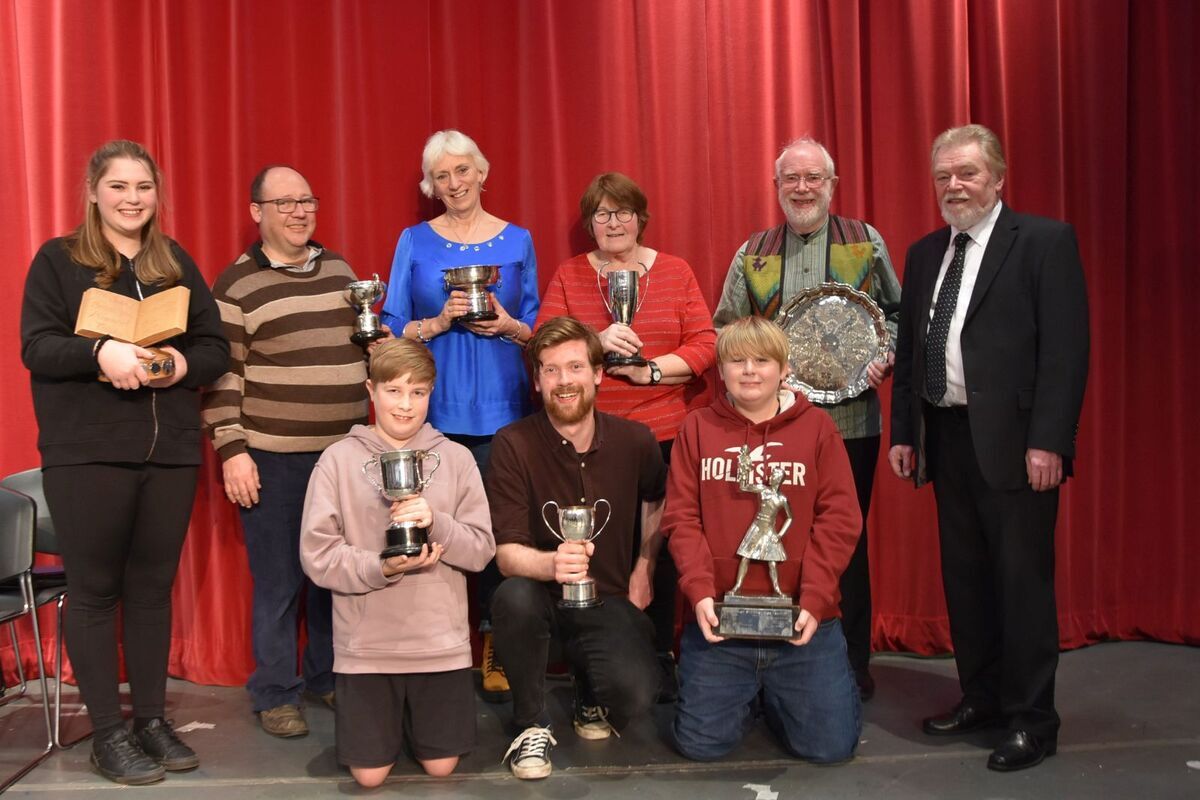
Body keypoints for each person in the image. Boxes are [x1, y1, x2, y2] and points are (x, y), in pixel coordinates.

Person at [20, 140, 229, 785]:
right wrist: (102, 354)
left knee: (150, 591)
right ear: (92, 192)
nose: (132, 199)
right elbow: (38, 347)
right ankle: (107, 732)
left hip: (168, 452)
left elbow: (214, 347)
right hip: (88, 453)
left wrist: (178, 365)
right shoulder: (58, 260)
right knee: (94, 591)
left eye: (143, 187)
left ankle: (150, 720)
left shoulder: (175, 263)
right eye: (118, 187)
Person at [888, 124, 1089, 772]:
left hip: (1017, 445)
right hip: (947, 440)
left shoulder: (1044, 243)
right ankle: (981, 697)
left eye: (967, 173)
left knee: (1021, 586)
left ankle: (1033, 720)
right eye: (944, 175)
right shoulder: (924, 254)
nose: (954, 186)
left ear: (997, 177)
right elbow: (912, 352)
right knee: (966, 582)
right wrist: (905, 434)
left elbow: (1064, 351)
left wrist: (1049, 441)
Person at [712, 137, 901, 700]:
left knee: (846, 540)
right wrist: (752, 367)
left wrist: (882, 354)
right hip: (771, 425)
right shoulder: (755, 252)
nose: (802, 188)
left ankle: (851, 662)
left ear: (831, 184)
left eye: (813, 178)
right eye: (791, 179)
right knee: (775, 536)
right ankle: (775, 659)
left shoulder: (864, 242)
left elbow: (895, 312)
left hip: (852, 425)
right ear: (776, 187)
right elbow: (725, 325)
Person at [202, 166, 377, 738]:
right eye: (285, 203)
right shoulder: (236, 284)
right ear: (257, 212)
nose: (300, 212)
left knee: (337, 578)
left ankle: (326, 678)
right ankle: (275, 692)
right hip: (272, 458)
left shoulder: (340, 270)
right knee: (279, 581)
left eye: (307, 201)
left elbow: (366, 344)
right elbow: (222, 375)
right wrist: (233, 450)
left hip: (345, 455)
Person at [536, 172, 716, 698]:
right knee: (598, 549)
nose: (613, 222)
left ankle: (658, 654)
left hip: (662, 432)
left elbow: (705, 343)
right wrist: (593, 338)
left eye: (623, 212)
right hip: (591, 435)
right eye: (601, 214)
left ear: (641, 217)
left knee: (657, 548)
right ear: (590, 224)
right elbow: (545, 340)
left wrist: (653, 370)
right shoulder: (571, 275)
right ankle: (594, 661)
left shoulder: (676, 272)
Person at [380, 129, 539, 703]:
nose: (453, 184)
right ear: (432, 185)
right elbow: (390, 322)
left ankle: (495, 644)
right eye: (441, 176)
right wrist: (437, 323)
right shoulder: (414, 241)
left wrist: (510, 326)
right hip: (433, 411)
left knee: (499, 532)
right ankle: (438, 641)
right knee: (433, 528)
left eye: (462, 171)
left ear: (481, 172)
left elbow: (537, 324)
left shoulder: (519, 240)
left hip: (505, 410)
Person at [663, 317, 862, 762]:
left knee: (829, 749)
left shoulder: (818, 429)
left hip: (801, 623)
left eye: (762, 360)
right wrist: (698, 593)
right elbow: (681, 517)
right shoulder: (696, 429)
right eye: (737, 360)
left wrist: (815, 597)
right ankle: (752, 694)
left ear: (784, 368)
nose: (749, 370)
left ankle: (779, 697)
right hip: (721, 625)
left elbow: (840, 519)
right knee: (700, 747)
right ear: (720, 369)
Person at [299, 338, 494, 787]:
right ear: (371, 391)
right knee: (369, 777)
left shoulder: (458, 459)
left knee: (442, 766)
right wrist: (379, 568)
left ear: (431, 394)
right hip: (367, 649)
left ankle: (415, 725)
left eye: (418, 392)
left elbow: (482, 549)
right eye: (394, 391)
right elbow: (317, 554)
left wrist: (437, 523)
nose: (405, 406)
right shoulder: (338, 460)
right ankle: (392, 724)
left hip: (438, 646)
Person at [485, 316, 667, 780]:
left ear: (598, 372)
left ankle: (591, 695)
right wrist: (551, 564)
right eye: (551, 370)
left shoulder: (636, 440)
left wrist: (645, 565)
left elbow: (655, 498)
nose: (564, 382)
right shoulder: (513, 444)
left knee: (636, 693)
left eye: (575, 367)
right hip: (539, 598)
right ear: (537, 380)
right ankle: (530, 724)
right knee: (513, 597)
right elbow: (506, 555)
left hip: (606, 598)